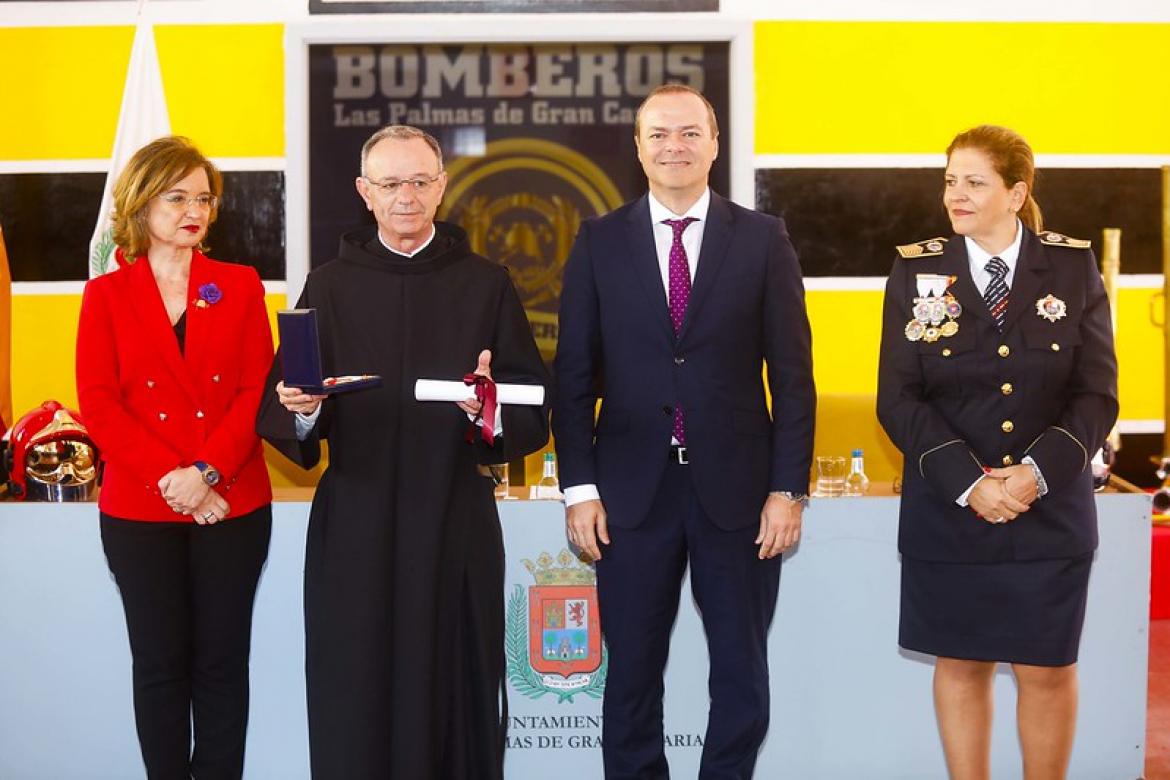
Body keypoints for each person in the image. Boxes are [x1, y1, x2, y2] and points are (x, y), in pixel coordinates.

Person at [256, 124, 550, 779]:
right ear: (365, 192)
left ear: (442, 187)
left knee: (456, 687)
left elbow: (532, 405)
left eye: (420, 181)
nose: (406, 197)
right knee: (353, 687)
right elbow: (287, 409)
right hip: (356, 526)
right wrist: (304, 410)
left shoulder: (488, 284)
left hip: (453, 521)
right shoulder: (328, 287)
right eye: (391, 183)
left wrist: (488, 409)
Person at [553, 83, 816, 778]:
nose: (675, 146)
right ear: (638, 148)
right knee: (631, 675)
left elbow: (793, 379)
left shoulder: (763, 240)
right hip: (628, 496)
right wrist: (579, 488)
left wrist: (788, 490)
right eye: (660, 134)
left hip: (741, 496)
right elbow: (572, 377)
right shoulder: (599, 241)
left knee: (741, 672)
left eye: (690, 133)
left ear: (715, 144)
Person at [876, 125, 1119, 780]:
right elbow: (898, 399)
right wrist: (970, 482)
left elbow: (1097, 394)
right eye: (950, 180)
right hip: (951, 510)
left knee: (1046, 669)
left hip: (1049, 512)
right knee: (961, 663)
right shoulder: (916, 270)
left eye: (974, 182)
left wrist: (1035, 474)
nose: (955, 194)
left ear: (1016, 194)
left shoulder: (1069, 267)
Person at [76, 135, 274, 779]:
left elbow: (255, 391)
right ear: (141, 204)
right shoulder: (106, 296)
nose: (195, 211)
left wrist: (207, 473)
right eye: (177, 197)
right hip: (141, 509)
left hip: (231, 502)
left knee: (221, 664)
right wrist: (175, 479)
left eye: (204, 199)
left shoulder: (238, 286)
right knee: (159, 665)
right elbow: (100, 404)